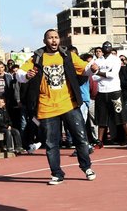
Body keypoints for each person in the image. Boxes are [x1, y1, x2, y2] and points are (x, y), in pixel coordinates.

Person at [16, 29, 96, 185]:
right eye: (50, 38)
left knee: (81, 138)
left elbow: (84, 69)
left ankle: (86, 167)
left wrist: (92, 69)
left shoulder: (67, 55)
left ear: (59, 40)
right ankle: (57, 173)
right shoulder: (37, 58)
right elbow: (20, 73)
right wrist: (26, 75)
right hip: (47, 107)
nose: (53, 40)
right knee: (51, 143)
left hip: (69, 104)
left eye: (56, 37)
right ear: (45, 40)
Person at [90, 41, 127, 148]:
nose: (107, 49)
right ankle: (99, 141)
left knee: (121, 116)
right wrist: (101, 73)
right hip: (101, 91)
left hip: (114, 91)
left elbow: (113, 75)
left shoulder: (115, 59)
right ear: (102, 48)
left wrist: (99, 72)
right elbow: (93, 77)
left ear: (111, 49)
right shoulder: (97, 60)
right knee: (102, 118)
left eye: (109, 47)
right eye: (105, 47)